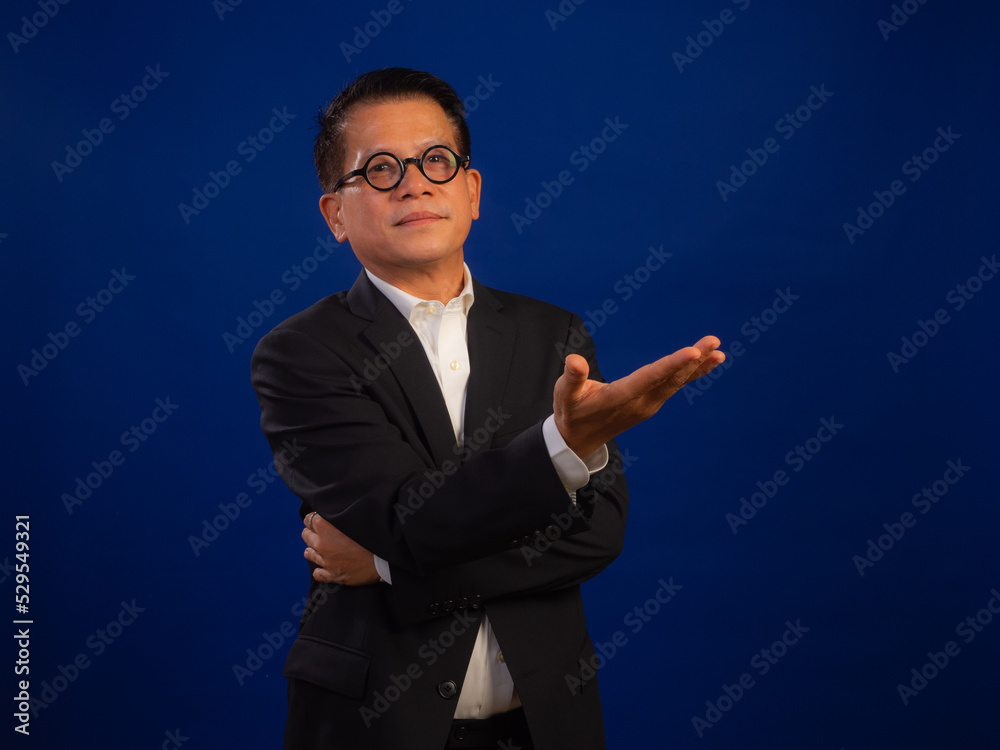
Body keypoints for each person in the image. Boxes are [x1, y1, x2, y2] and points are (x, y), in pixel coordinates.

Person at [251, 67, 724, 750]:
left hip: (544, 722)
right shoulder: (299, 353)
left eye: (436, 161)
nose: (414, 184)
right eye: (380, 169)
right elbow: (407, 519)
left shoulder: (553, 334)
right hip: (377, 725)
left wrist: (383, 567)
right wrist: (562, 451)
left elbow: (597, 534)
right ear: (335, 216)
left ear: (471, 192)